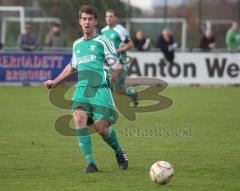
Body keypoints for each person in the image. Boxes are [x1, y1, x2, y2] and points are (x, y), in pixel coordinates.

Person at [43, 5, 128, 173]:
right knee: (79, 119)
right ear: (80, 21)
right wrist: (55, 82)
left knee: (101, 127)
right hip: (81, 88)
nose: (87, 22)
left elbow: (117, 65)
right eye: (84, 19)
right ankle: (91, 163)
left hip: (100, 89)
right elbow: (71, 67)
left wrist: (115, 73)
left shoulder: (103, 41)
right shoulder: (77, 44)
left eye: (90, 19)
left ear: (95, 21)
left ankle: (119, 152)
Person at [101, 9, 138, 107]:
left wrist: (117, 50)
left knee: (119, 90)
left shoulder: (120, 30)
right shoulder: (103, 31)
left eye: (111, 16)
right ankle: (105, 108)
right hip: (108, 63)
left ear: (116, 18)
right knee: (108, 85)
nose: (108, 18)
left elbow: (130, 44)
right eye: (107, 16)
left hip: (120, 62)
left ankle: (132, 93)